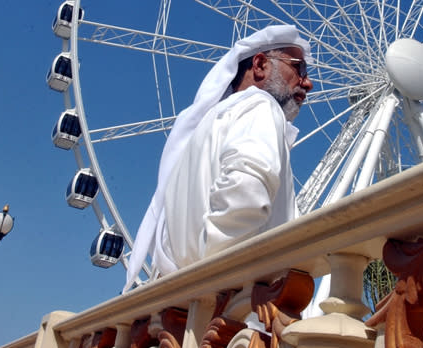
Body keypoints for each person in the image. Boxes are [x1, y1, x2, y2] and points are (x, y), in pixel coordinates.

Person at [124, 25, 313, 292]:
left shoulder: (197, 137)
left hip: (181, 308)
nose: (308, 82)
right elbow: (245, 197)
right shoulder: (259, 107)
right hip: (231, 315)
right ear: (260, 65)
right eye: (299, 69)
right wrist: (225, 286)